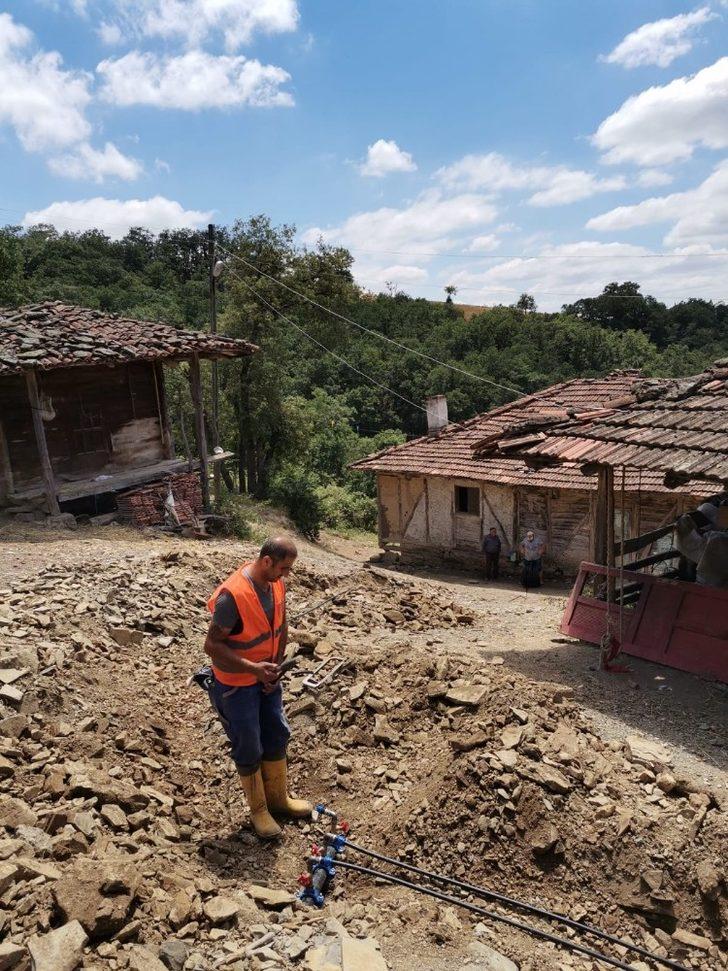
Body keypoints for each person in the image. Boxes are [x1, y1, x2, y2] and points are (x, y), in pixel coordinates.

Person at [203, 536, 311, 839]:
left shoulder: (275, 584)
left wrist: (274, 668)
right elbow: (211, 645)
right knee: (249, 743)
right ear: (267, 561)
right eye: (284, 568)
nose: (286, 574)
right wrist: (253, 670)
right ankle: (259, 810)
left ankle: (279, 799)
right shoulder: (232, 596)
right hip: (237, 685)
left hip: (266, 679)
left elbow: (281, 625)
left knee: (276, 733)